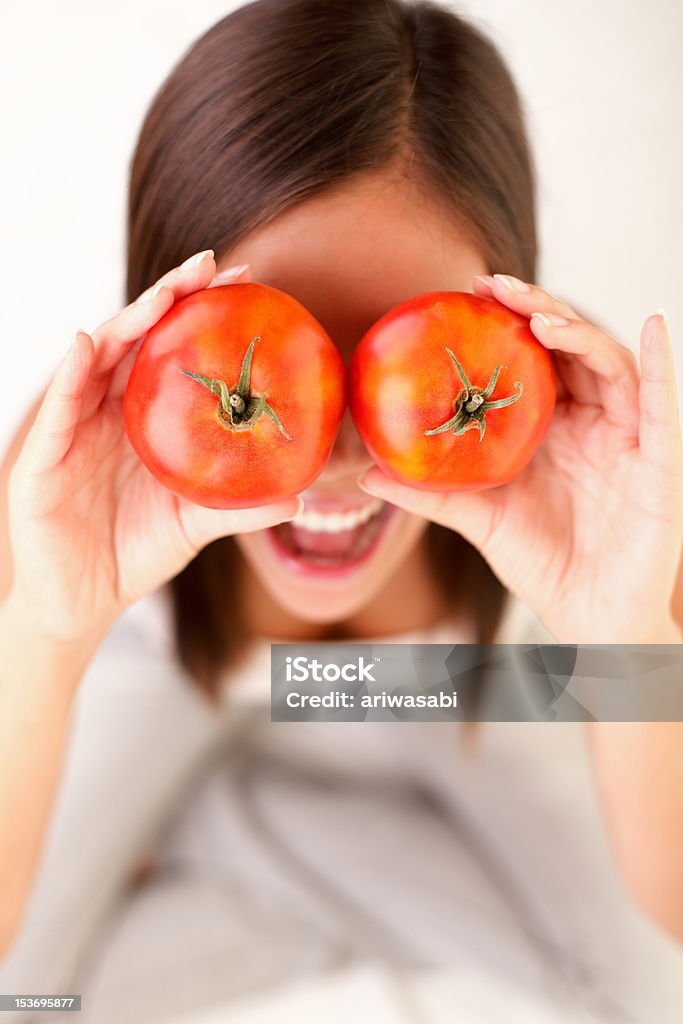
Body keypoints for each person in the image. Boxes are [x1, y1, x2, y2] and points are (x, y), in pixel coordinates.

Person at [1, 1, 682, 1021]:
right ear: (158, 328)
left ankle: (238, 828)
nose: (334, 454)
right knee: (29, 996)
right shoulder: (64, 480)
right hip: (166, 672)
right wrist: (50, 629)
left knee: (629, 993)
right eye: (267, 345)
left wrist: (618, 633)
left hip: (458, 687)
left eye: (407, 357)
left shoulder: (605, 473)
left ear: (519, 329)